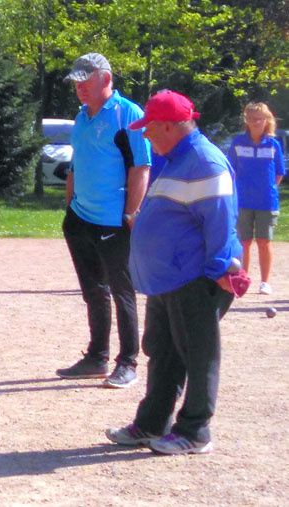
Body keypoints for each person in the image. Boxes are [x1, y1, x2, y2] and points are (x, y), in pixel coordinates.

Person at [105, 90, 245, 455]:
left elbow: (221, 223)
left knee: (198, 355)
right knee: (163, 351)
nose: (145, 134)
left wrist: (216, 269)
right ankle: (151, 423)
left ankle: (195, 431)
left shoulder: (205, 162)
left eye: (149, 128)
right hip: (169, 278)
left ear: (169, 126)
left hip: (196, 278)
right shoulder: (174, 158)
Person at [56, 53, 152, 389]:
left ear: (106, 79)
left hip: (114, 222)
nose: (80, 88)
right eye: (77, 82)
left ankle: (127, 363)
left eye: (86, 81)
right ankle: (97, 357)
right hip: (80, 219)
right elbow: (76, 165)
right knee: (93, 291)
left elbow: (141, 167)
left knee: (122, 292)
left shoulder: (128, 114)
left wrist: (131, 213)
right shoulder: (82, 117)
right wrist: (70, 209)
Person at [227, 102, 285, 295]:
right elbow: (231, 170)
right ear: (247, 121)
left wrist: (267, 190)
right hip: (242, 201)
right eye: (251, 118)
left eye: (259, 118)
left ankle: (265, 282)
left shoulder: (273, 144)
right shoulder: (237, 142)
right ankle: (242, 279)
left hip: (266, 201)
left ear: (266, 120)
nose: (256, 122)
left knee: (264, 241)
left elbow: (278, 173)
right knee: (244, 242)